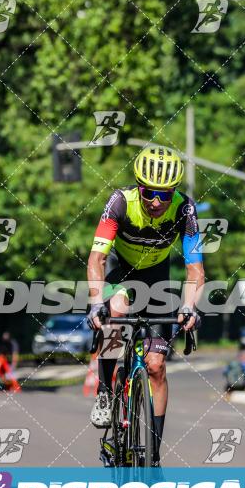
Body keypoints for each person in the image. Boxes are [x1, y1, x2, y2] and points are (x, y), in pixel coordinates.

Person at [87, 145, 203, 466]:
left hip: (157, 281)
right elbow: (96, 258)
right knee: (117, 312)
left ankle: (153, 456)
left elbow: (195, 269)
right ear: (140, 187)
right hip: (118, 271)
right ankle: (105, 393)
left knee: (156, 365)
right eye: (150, 192)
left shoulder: (184, 211)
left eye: (164, 195)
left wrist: (189, 306)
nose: (156, 201)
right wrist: (97, 302)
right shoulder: (120, 203)